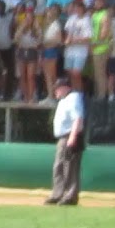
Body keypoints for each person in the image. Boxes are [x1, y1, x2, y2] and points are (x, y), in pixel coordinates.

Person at [45, 78, 84, 206]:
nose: (56, 91)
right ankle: (58, 193)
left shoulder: (73, 98)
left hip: (70, 136)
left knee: (70, 167)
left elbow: (77, 118)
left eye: (58, 88)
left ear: (65, 87)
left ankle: (70, 196)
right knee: (59, 166)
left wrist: (72, 137)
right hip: (62, 138)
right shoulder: (64, 100)